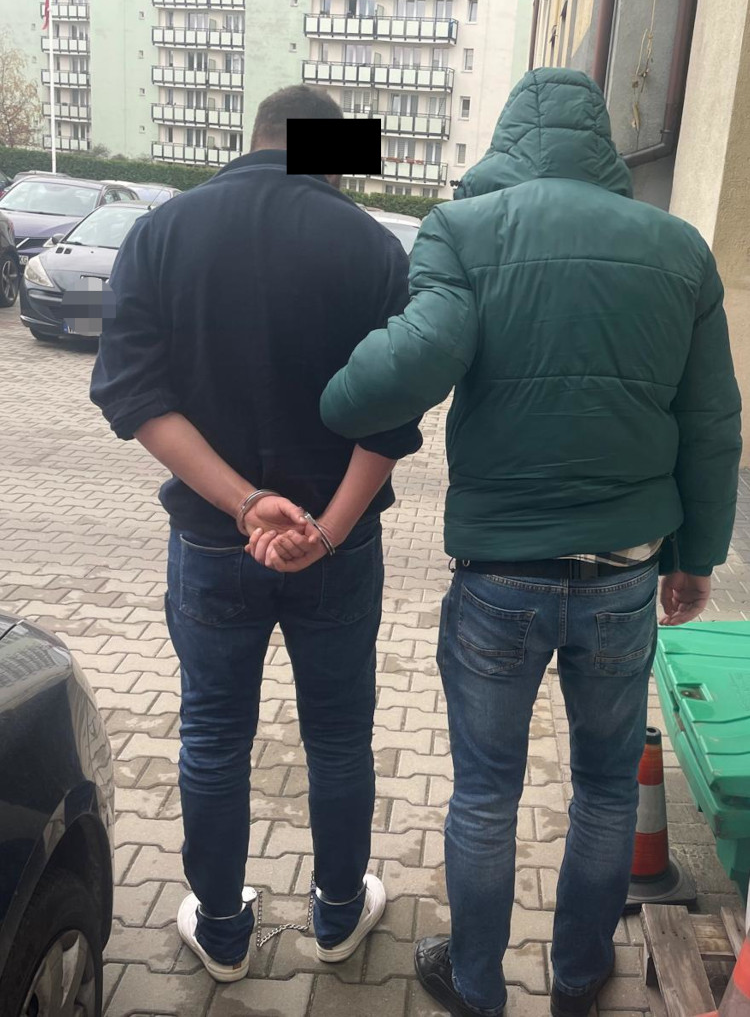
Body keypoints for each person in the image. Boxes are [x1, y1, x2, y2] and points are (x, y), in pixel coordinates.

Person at [318, 68, 742, 1017]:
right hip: (624, 577)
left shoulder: (464, 230)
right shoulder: (680, 249)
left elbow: (418, 357)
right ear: (602, 146)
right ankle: (579, 977)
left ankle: (476, 985)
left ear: (509, 141)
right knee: (605, 790)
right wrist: (697, 558)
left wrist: (333, 400)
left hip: (499, 579)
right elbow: (713, 424)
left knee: (484, 794)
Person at [90, 84, 422, 982]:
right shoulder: (373, 247)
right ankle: (340, 914)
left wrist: (244, 503)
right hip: (339, 548)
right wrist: (326, 531)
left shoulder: (161, 232)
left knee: (212, 736)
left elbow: (130, 393)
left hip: (213, 542)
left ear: (255, 135)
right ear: (332, 153)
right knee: (340, 736)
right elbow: (395, 414)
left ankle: (223, 932)